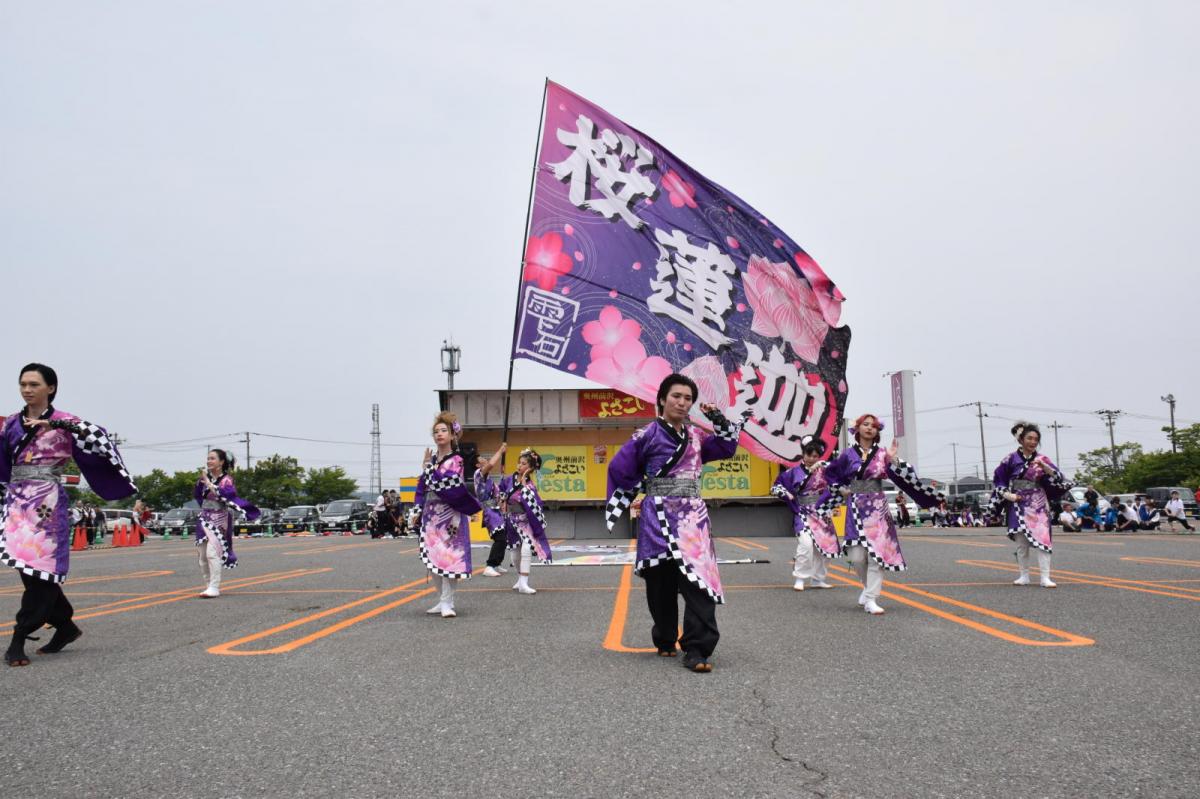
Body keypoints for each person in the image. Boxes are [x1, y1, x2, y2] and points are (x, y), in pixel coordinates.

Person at [606, 374, 749, 673]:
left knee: (700, 583)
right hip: (656, 516)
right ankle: (665, 637)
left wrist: (717, 417)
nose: (683, 403)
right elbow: (619, 469)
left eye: (688, 399)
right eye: (677, 396)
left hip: (691, 518)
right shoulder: (645, 435)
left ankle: (698, 648)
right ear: (662, 398)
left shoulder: (697, 436)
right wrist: (638, 490)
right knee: (661, 584)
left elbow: (726, 447)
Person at [1, 363, 137, 666]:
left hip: (47, 504)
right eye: (23, 383)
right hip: (17, 503)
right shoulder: (11, 423)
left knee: (42, 572)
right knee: (31, 572)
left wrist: (62, 428)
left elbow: (101, 441)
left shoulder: (66, 422)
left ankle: (19, 637)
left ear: (50, 388)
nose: (27, 389)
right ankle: (65, 626)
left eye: (34, 384)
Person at [819, 413, 940, 615]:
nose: (869, 428)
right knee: (857, 556)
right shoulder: (847, 454)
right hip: (856, 506)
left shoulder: (883, 454)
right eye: (865, 425)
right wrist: (841, 489)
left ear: (877, 431)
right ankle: (868, 590)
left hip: (877, 507)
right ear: (857, 429)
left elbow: (907, 474)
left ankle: (871, 598)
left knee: (877, 555)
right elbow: (830, 474)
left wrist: (893, 460)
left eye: (874, 426)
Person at [414, 411, 481, 618]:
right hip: (431, 513)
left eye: (443, 430)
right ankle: (442, 599)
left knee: (448, 558)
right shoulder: (432, 460)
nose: (439, 434)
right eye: (436, 431)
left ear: (452, 435)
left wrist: (427, 470)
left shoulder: (457, 460)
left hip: (451, 513)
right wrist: (416, 509)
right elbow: (421, 486)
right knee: (433, 558)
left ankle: (447, 602)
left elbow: (448, 484)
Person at [991, 422, 1071, 588]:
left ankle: (1045, 577)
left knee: (1043, 539)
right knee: (1022, 542)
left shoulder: (1042, 459)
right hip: (1018, 502)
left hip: (1038, 503)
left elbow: (1059, 478)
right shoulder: (1010, 459)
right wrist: (1008, 495)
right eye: (1029, 438)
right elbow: (999, 479)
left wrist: (1045, 467)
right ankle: (1024, 575)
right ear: (1021, 439)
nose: (1033, 442)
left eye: (1036, 439)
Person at [771, 437, 838, 591]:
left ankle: (818, 578)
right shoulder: (792, 472)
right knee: (806, 545)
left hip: (821, 512)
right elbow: (775, 486)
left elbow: (837, 479)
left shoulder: (824, 470)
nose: (812, 459)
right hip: (802, 512)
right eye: (809, 455)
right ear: (803, 454)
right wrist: (786, 493)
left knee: (825, 547)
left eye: (816, 456)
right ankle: (800, 577)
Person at [194, 449, 259, 598]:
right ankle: (208, 585)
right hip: (204, 517)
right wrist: (203, 483)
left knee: (212, 553)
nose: (208, 461)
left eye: (212, 458)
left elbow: (226, 496)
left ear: (221, 462)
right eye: (208, 458)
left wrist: (209, 484)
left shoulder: (227, 480)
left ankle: (214, 587)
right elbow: (198, 496)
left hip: (220, 518)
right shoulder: (204, 479)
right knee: (202, 556)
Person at [496, 448, 552, 594]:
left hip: (525, 522)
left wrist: (524, 483)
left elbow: (536, 505)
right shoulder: (509, 479)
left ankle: (524, 583)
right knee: (514, 554)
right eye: (519, 463)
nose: (519, 466)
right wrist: (502, 499)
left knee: (527, 549)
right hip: (512, 520)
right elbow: (500, 492)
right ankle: (520, 578)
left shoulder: (530, 487)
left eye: (523, 464)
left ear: (530, 468)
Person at [474, 448, 509, 578]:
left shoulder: (489, 480)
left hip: (496, 510)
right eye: (481, 460)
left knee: (503, 538)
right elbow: (491, 464)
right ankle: (490, 566)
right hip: (490, 511)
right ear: (478, 465)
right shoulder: (479, 474)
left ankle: (497, 563)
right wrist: (500, 451)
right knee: (500, 538)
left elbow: (499, 495)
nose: (485, 460)